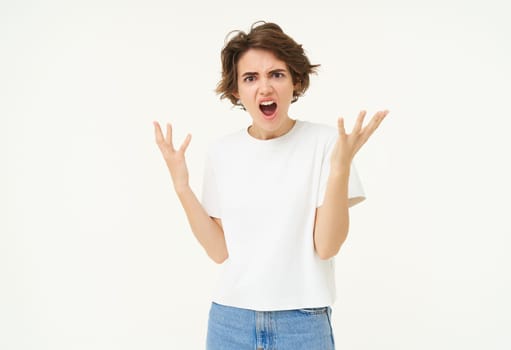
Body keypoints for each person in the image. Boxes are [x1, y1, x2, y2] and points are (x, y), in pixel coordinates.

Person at [153, 21, 388, 350]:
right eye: (251, 78)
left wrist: (340, 169)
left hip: (302, 322)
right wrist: (182, 187)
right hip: (230, 320)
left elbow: (327, 246)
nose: (264, 88)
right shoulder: (222, 152)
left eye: (276, 74)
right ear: (237, 90)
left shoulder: (327, 143)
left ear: (295, 81)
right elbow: (219, 251)